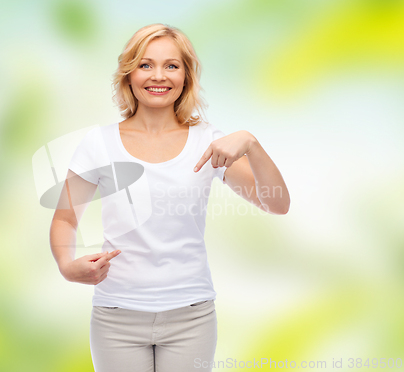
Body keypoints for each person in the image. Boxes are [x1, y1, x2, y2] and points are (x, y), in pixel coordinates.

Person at [49, 23, 290, 372]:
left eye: (171, 65)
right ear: (128, 75)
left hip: (190, 317)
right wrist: (67, 266)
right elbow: (65, 217)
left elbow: (277, 204)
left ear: (186, 76)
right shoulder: (98, 143)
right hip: (117, 316)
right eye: (145, 65)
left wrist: (251, 144)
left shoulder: (209, 142)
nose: (158, 76)